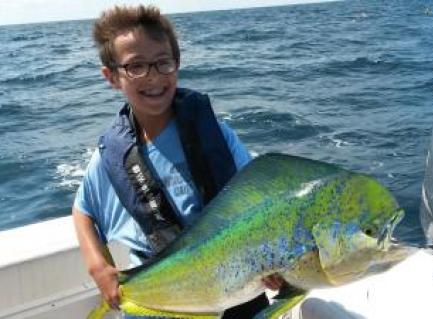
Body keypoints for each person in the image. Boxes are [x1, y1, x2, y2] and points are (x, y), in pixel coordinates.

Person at [72, 5, 283, 319]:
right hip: (156, 300)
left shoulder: (218, 136)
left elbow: (261, 204)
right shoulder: (109, 157)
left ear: (178, 64)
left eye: (162, 63)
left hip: (234, 292)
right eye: (136, 66)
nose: (153, 77)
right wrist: (97, 265)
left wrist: (273, 261)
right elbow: (83, 210)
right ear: (112, 76)